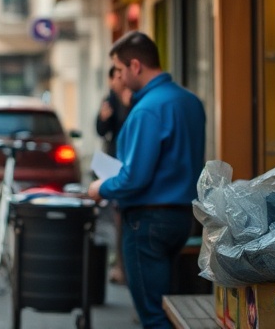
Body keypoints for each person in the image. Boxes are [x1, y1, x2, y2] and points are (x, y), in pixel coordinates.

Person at [88, 31, 205, 329]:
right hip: (182, 218)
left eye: (119, 69)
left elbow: (134, 178)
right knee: (170, 308)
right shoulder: (190, 101)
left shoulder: (147, 110)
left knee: (153, 315)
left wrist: (100, 188)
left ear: (136, 66)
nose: (119, 78)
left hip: (147, 222)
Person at [95, 65, 132, 284]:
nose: (115, 82)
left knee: (123, 218)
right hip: (114, 163)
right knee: (117, 218)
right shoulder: (109, 99)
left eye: (118, 76)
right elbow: (100, 129)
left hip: (130, 163)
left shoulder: (138, 99)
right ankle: (120, 265)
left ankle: (124, 267)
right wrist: (103, 117)